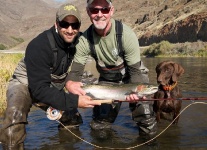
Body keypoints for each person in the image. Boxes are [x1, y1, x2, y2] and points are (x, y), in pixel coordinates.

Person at [0, 3, 101, 149]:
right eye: (64, 24)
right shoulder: (39, 45)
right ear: (56, 24)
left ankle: (66, 145)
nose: (70, 30)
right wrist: (75, 101)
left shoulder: (80, 41)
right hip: (25, 84)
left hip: (51, 85)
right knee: (13, 123)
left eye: (75, 25)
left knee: (72, 119)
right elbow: (39, 90)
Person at [65, 0, 157, 140]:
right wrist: (70, 84)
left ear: (112, 11)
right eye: (95, 10)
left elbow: (135, 72)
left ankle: (150, 143)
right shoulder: (84, 40)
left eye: (104, 10)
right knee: (99, 125)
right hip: (108, 80)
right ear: (88, 12)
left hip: (132, 75)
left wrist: (136, 92)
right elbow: (76, 73)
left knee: (145, 114)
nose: (99, 14)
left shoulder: (127, 35)